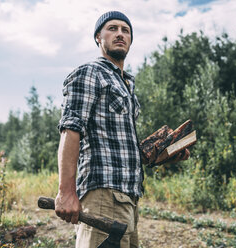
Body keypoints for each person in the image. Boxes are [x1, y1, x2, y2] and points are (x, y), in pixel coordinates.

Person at [54, 11, 188, 248]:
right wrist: (66, 191)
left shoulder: (125, 83)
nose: (120, 34)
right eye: (112, 28)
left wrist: (159, 154)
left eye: (125, 30)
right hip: (103, 195)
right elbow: (70, 129)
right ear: (98, 37)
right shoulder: (91, 72)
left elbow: (117, 146)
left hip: (129, 199)